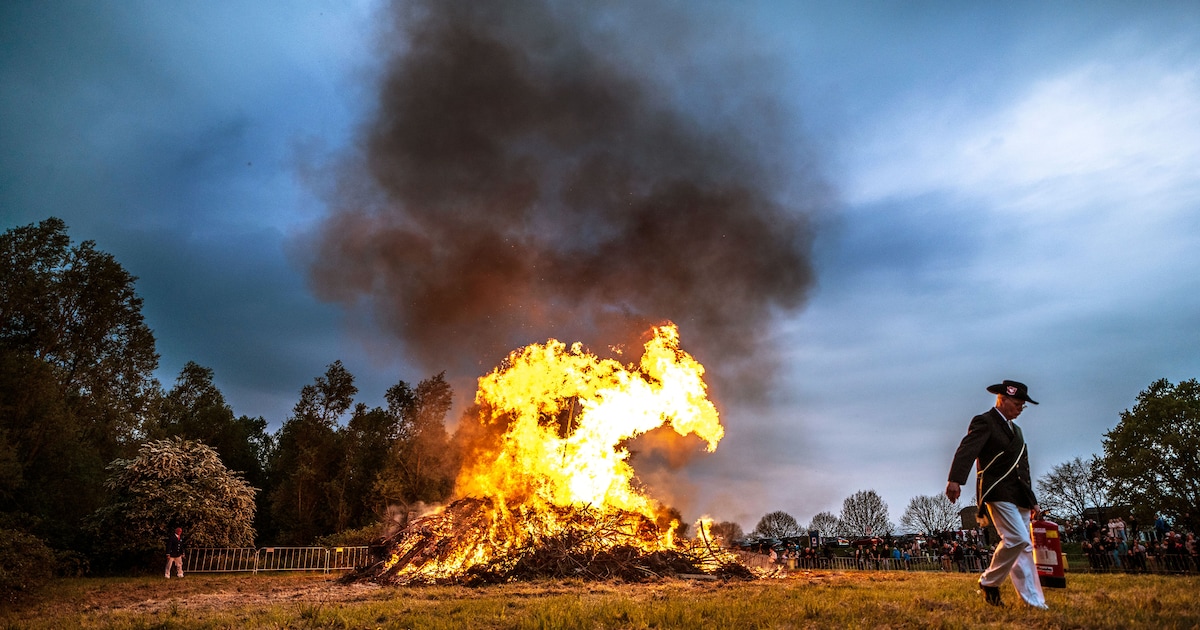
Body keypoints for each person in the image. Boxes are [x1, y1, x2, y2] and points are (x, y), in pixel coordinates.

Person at [946, 380, 1048, 609]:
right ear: (1002, 399)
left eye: (1023, 405)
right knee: (1017, 539)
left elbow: (1023, 468)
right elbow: (967, 449)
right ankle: (990, 582)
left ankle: (1034, 601)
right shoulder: (985, 421)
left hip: (1019, 494)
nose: (1021, 408)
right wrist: (955, 479)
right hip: (997, 490)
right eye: (1017, 403)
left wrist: (1033, 501)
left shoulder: (1017, 431)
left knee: (1025, 547)